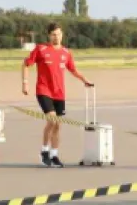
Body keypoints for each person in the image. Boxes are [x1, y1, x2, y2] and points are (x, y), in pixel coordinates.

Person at [22, 23, 94, 167]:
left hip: (59, 93)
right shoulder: (41, 49)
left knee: (58, 125)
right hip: (44, 91)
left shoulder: (66, 53)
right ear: (49, 36)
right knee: (52, 120)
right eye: (54, 34)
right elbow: (25, 64)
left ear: (62, 35)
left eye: (59, 34)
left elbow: (73, 70)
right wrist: (25, 83)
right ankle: (44, 151)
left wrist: (84, 80)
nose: (57, 37)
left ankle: (54, 155)